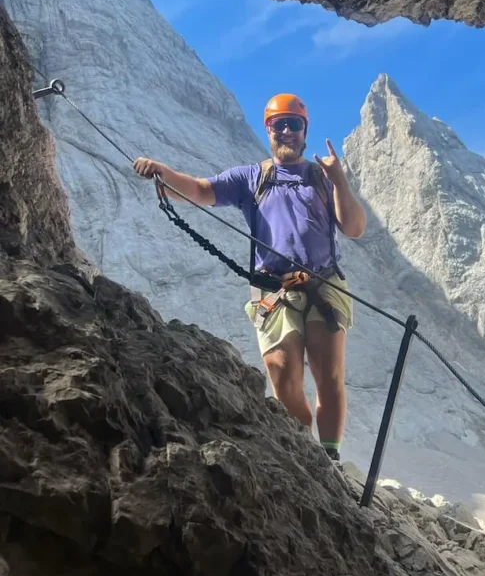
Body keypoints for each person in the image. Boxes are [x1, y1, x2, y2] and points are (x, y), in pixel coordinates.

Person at [133, 93, 366, 459]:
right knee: (282, 377)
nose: (287, 131)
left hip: (325, 282)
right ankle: (304, 449)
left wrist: (340, 182)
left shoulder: (322, 177)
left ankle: (330, 456)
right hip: (274, 289)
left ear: (305, 132)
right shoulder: (250, 178)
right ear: (269, 131)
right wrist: (163, 173)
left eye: (294, 125)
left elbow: (353, 227)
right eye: (279, 125)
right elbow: (201, 189)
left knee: (329, 375)